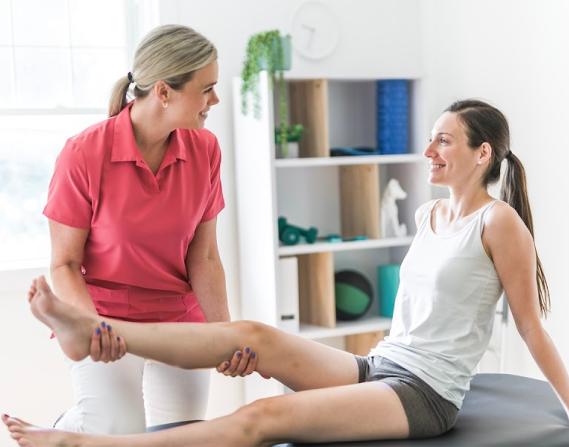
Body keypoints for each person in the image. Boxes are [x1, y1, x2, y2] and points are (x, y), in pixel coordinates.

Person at [5, 100, 569, 446]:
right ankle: (97, 331)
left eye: (443, 140)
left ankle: (83, 445)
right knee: (253, 336)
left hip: (424, 394)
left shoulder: (499, 223)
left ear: (482, 154)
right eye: (431, 139)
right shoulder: (430, 215)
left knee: (265, 417)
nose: (428, 150)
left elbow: (529, 327)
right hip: (381, 365)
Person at [41, 24, 251, 435]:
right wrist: (92, 329)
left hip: (178, 316)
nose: (215, 100)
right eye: (206, 88)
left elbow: (205, 256)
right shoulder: (83, 153)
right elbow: (64, 264)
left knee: (182, 436)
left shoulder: (205, 149)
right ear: (164, 92)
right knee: (117, 430)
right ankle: (66, 432)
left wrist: (225, 333)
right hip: (105, 316)